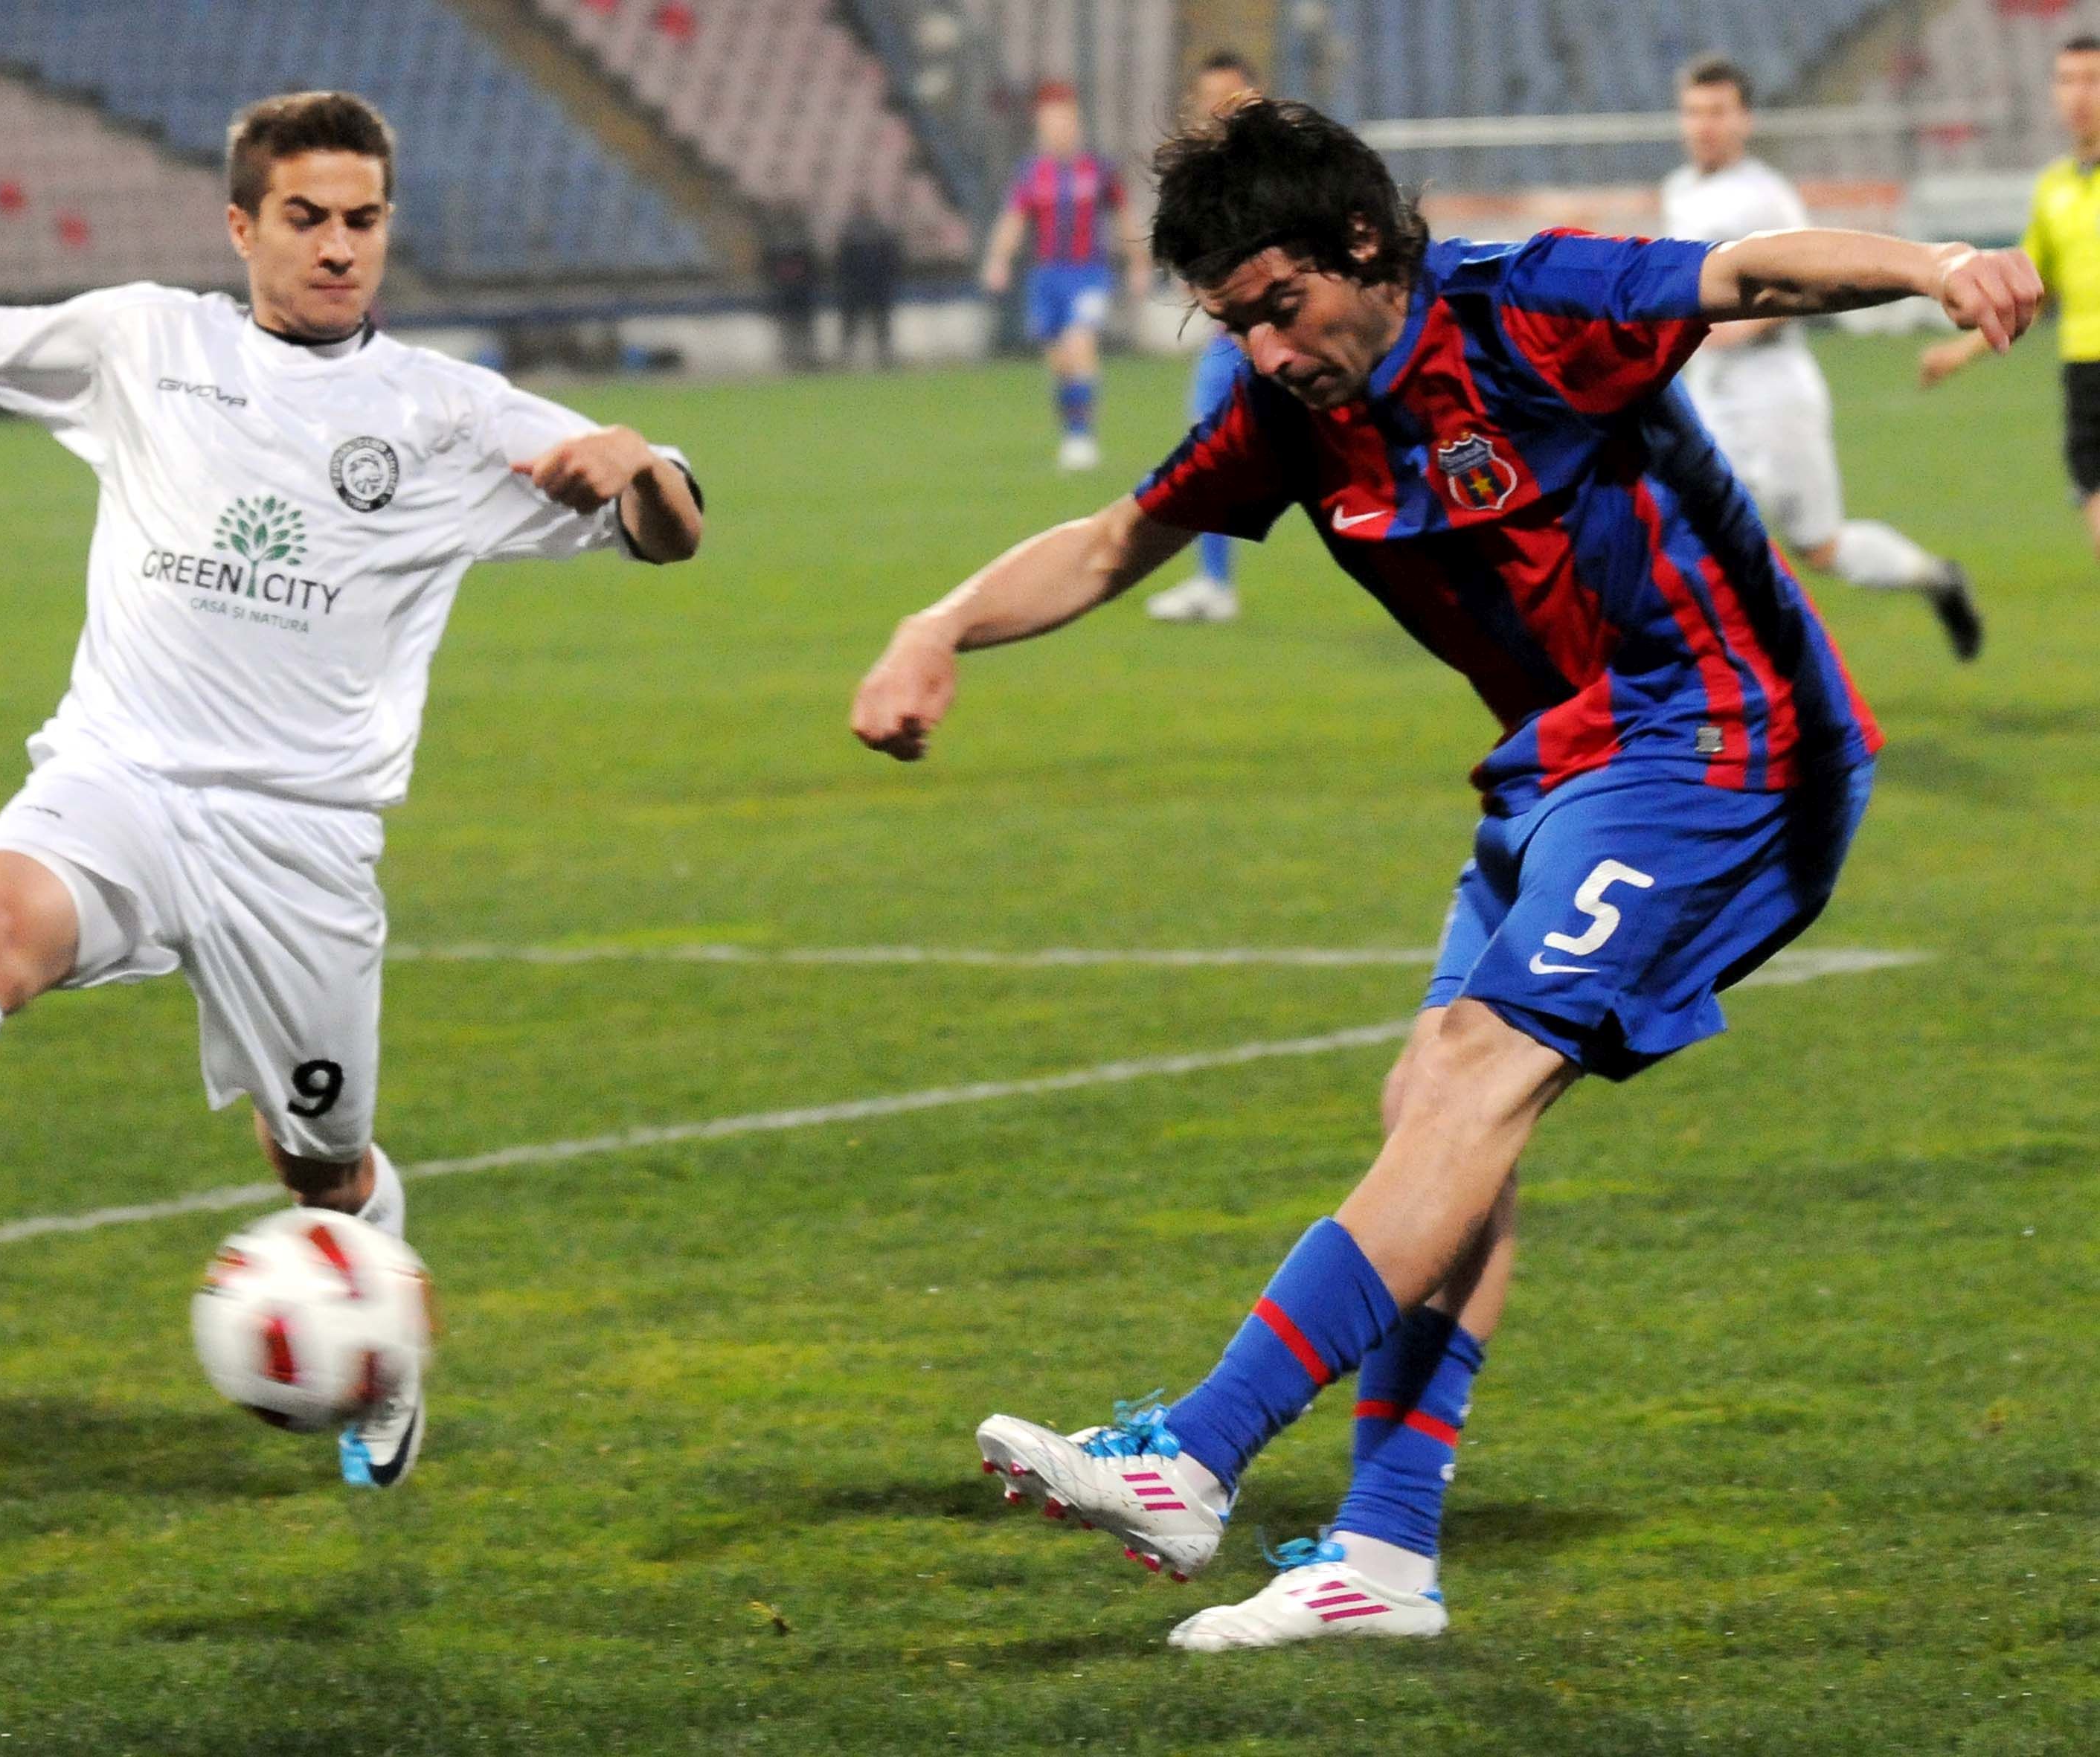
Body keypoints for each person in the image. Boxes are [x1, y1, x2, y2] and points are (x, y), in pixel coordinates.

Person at [852, 97, 2037, 1649]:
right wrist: (933, 625)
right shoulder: (1290, 410)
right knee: (1435, 1106)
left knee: (1479, 1067)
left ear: (1364, 244)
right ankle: (1387, 1554)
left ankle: (1195, 1455)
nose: (1266, 349)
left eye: (1280, 307)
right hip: (1563, 768)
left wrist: (1935, 261)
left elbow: (1746, 273)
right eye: (1232, 323)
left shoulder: (1527, 309)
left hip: (1731, 741)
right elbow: (1114, 539)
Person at [0, 91, 703, 1490]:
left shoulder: (454, 415)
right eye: (306, 219)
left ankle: (377, 1342)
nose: (339, 248)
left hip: (303, 844)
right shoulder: (147, 338)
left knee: (320, 1168)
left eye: (363, 220)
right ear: (241, 223)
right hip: (122, 775)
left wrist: (637, 464)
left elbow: (671, 528)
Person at [1664, 56, 1982, 658]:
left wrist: (1733, 328)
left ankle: (1936, 579)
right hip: (1710, 392)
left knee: (1820, 546)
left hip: (1773, 394)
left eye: (1717, 112)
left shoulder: (1765, 198)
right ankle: (1731, 682)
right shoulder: (1679, 189)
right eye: (1693, 112)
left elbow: (1807, 284)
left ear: (1744, 120)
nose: (1703, 125)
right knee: (1685, 527)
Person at [1924, 33, 2100, 563]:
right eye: (2066, 81)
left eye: (2092, 80)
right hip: (2084, 370)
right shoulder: (2053, 188)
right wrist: (1960, 353)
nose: (2078, 95)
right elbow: (2031, 292)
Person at [980, 83, 1152, 471]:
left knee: (1080, 344)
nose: (1057, 130)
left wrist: (1139, 263)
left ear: (1075, 125)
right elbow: (1014, 219)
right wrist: (998, 260)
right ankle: (1071, 432)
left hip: (1088, 274)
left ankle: (1083, 438)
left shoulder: (1100, 169)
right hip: (1046, 277)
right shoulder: (1031, 173)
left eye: (1063, 122)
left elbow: (1125, 218)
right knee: (1059, 360)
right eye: (1049, 123)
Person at [1147, 50, 1262, 624]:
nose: (1216, 107)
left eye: (1229, 94)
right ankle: (1213, 583)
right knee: (1207, 452)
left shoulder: (1277, 165)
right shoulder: (1206, 171)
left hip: (1285, 336)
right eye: (1208, 96)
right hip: (1232, 338)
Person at [833, 199, 902, 370]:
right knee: (852, 324)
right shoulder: (853, 232)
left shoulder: (877, 231)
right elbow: (842, 262)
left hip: (875, 285)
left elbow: (891, 259)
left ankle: (884, 356)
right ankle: (847, 357)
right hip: (856, 286)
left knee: (879, 324)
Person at [762, 203, 821, 372]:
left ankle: (806, 358)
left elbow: (813, 266)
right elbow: (768, 267)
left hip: (801, 291)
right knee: (789, 327)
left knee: (804, 326)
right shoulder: (776, 241)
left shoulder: (801, 241)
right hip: (785, 291)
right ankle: (792, 358)